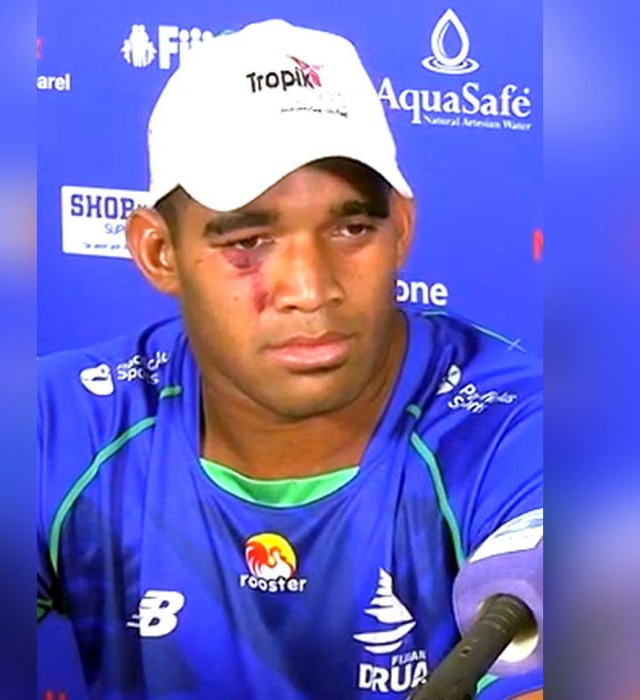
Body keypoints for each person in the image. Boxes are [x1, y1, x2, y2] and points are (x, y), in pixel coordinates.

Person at [37, 19, 543, 700]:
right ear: (159, 252)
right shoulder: (59, 425)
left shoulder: (519, 432)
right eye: (247, 241)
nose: (309, 288)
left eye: (352, 228)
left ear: (401, 230)